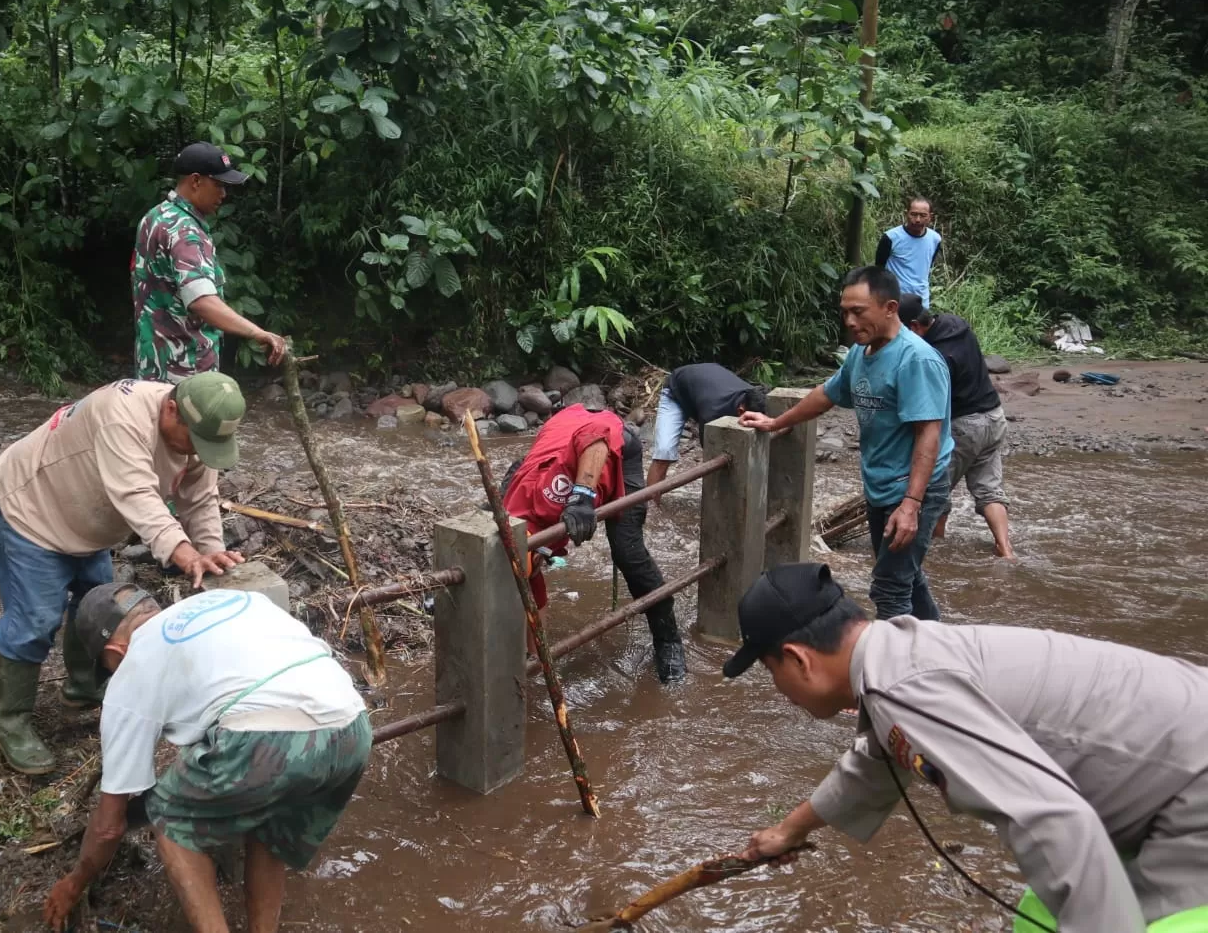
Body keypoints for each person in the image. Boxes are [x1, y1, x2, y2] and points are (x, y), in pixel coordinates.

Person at [727, 562, 1208, 933]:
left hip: (1193, 788)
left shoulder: (905, 691)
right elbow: (874, 763)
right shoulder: (896, 656)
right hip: (1175, 760)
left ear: (798, 658)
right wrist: (787, 832)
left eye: (771, 672)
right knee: (1045, 909)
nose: (778, 689)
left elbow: (1050, 819)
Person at [43, 582, 370, 933]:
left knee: (170, 819)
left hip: (266, 737)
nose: (112, 675)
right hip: (351, 726)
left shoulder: (133, 665)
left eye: (107, 667)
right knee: (269, 826)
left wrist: (75, 882)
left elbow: (109, 826)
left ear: (115, 650)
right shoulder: (234, 599)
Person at [0, 372, 247, 775]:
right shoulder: (121, 414)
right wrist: (184, 554)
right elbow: (136, 494)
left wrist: (212, 551)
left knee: (100, 605)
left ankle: (82, 687)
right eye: (196, 442)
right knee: (35, 619)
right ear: (172, 410)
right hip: (33, 509)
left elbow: (199, 497)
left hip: (88, 521)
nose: (199, 452)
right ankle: (13, 721)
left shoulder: (198, 434)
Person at [740, 266, 953, 620]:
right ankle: (939, 645)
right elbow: (828, 394)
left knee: (889, 587)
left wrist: (912, 504)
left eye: (859, 311)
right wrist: (776, 421)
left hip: (915, 489)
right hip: (883, 484)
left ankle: (891, 671)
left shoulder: (916, 359)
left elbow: (928, 434)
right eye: (845, 312)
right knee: (905, 577)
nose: (850, 321)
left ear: (889, 308)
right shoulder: (861, 352)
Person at [501, 403, 686, 682]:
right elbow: (532, 590)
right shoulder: (514, 535)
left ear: (538, 556)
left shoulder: (550, 497)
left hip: (612, 444)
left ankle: (668, 641)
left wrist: (582, 495)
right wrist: (535, 663)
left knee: (627, 552)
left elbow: (597, 432)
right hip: (562, 430)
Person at [133, 142, 287, 382]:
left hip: (152, 364)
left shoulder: (154, 217)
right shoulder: (185, 231)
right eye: (218, 185)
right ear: (196, 181)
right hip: (185, 373)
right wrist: (257, 333)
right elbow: (202, 301)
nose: (224, 195)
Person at [898, 294, 1015, 559]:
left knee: (934, 486)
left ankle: (933, 547)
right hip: (994, 417)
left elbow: (929, 405)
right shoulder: (955, 324)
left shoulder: (934, 356)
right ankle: (1005, 549)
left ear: (915, 326)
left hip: (965, 425)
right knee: (989, 489)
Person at [646, 363, 768, 488]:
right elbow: (713, 455)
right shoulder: (713, 412)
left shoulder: (758, 400)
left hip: (703, 387)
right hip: (676, 393)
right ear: (741, 411)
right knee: (664, 452)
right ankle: (650, 504)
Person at [875, 197, 942, 308]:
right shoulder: (891, 238)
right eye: (913, 214)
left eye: (923, 215)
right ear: (906, 214)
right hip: (895, 299)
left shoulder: (935, 239)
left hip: (921, 300)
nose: (917, 219)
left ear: (931, 217)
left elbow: (928, 266)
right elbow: (879, 269)